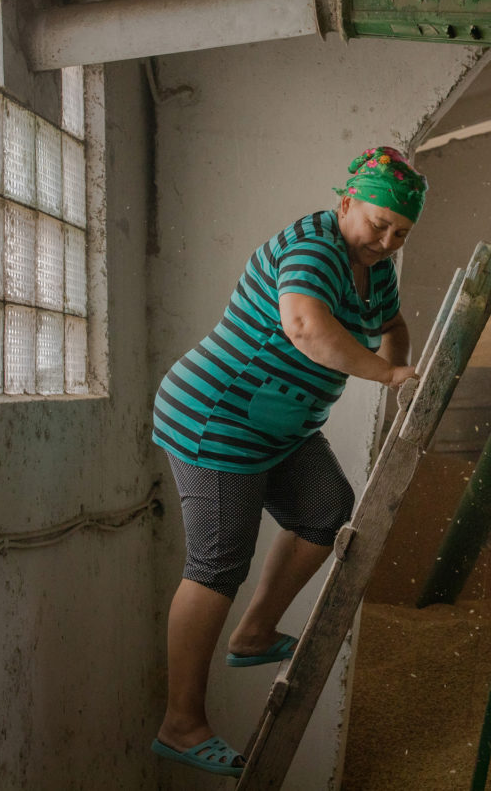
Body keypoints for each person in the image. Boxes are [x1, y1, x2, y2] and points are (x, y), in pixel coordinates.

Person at [149, 146, 428, 777]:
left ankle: (254, 634)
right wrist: (388, 376)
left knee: (328, 509)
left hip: (278, 430)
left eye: (400, 232)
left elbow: (394, 325)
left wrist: (401, 373)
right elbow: (304, 327)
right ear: (346, 201)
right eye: (377, 223)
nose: (385, 240)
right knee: (218, 561)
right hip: (214, 418)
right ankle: (182, 724)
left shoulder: (376, 267)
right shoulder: (313, 246)